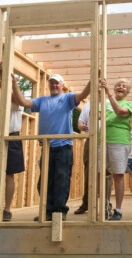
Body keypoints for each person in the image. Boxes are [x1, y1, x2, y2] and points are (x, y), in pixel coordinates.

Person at [11, 73, 90, 221]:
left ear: (62, 85)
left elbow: (83, 94)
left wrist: (92, 81)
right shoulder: (42, 100)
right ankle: (48, 211)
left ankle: (59, 212)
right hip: (47, 147)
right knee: (45, 182)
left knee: (61, 178)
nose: (54, 85)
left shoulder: (67, 98)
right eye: (51, 83)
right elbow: (22, 102)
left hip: (63, 146)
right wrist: (14, 82)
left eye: (57, 83)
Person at [100, 78, 132, 221]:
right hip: (102, 140)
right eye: (118, 85)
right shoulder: (105, 104)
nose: (120, 87)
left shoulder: (129, 104)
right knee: (99, 174)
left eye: (124, 86)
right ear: (115, 89)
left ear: (127, 91)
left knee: (118, 175)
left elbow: (120, 112)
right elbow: (95, 115)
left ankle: (118, 210)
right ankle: (103, 207)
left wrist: (108, 94)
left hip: (119, 141)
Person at [74, 101, 113, 219]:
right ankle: (86, 203)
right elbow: (80, 123)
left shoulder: (109, 103)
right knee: (89, 172)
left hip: (107, 140)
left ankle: (106, 206)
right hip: (91, 139)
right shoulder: (88, 105)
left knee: (106, 173)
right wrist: (82, 126)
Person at [0, 62, 25, 221]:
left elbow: (17, 101)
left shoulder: (13, 93)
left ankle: (7, 209)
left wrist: (8, 79)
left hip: (11, 137)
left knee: (9, 175)